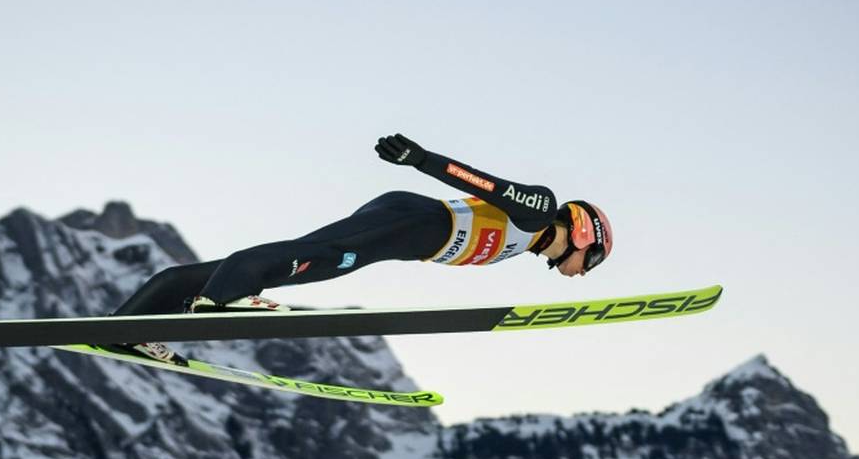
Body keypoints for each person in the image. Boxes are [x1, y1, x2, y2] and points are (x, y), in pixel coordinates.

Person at [109, 133, 613, 363]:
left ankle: (131, 324)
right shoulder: (540, 210)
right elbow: (480, 181)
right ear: (584, 235)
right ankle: (221, 301)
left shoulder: (528, 240)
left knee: (303, 256)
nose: (582, 273)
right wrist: (420, 158)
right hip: (414, 220)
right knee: (315, 259)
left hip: (406, 230)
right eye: (590, 262)